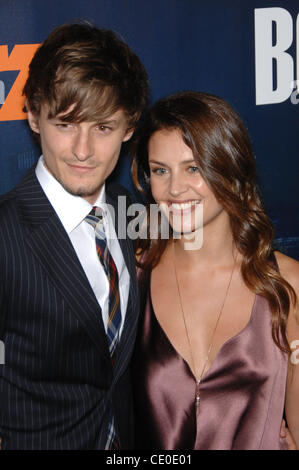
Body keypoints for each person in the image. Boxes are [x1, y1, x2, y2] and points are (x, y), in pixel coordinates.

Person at [0, 22, 148, 450]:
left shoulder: (132, 211)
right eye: (66, 124)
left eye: (102, 128)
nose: (83, 151)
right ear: (32, 115)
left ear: (129, 127)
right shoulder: (5, 234)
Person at [131, 91, 299, 450]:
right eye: (161, 170)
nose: (174, 189)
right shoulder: (133, 273)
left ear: (230, 167)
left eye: (193, 168)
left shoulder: (288, 284)